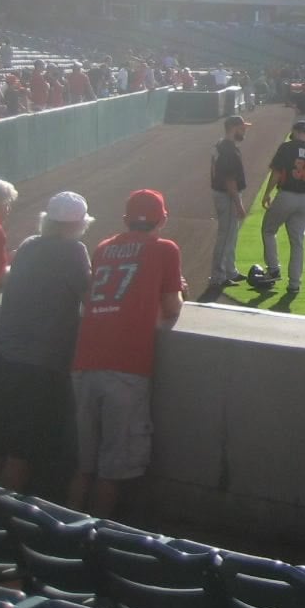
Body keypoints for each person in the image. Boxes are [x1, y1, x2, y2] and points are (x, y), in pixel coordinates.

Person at [65, 190, 184, 517]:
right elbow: (172, 307)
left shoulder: (103, 247)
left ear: (125, 220)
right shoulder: (165, 249)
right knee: (111, 470)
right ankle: (94, 547)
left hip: (84, 361)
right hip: (126, 367)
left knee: (84, 467)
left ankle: (64, 535)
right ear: (162, 219)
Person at [0, 191, 93, 491]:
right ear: (78, 224)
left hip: (1, 356)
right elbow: (91, 298)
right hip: (36, 365)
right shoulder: (74, 251)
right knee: (22, 452)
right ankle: (5, 526)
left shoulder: (29, 245)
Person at [258, 120, 305, 295]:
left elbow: (277, 173)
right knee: (297, 243)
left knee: (268, 230)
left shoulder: (287, 148)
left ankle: (273, 270)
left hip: (286, 195)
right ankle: (295, 284)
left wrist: (267, 193)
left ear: (295, 131)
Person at [205, 114, 249, 297]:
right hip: (227, 196)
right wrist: (238, 203)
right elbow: (230, 180)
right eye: (242, 127)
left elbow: (213, 171)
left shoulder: (220, 145)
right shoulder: (229, 150)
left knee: (231, 234)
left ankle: (230, 271)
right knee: (225, 235)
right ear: (234, 128)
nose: (244, 130)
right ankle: (218, 276)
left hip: (222, 193)